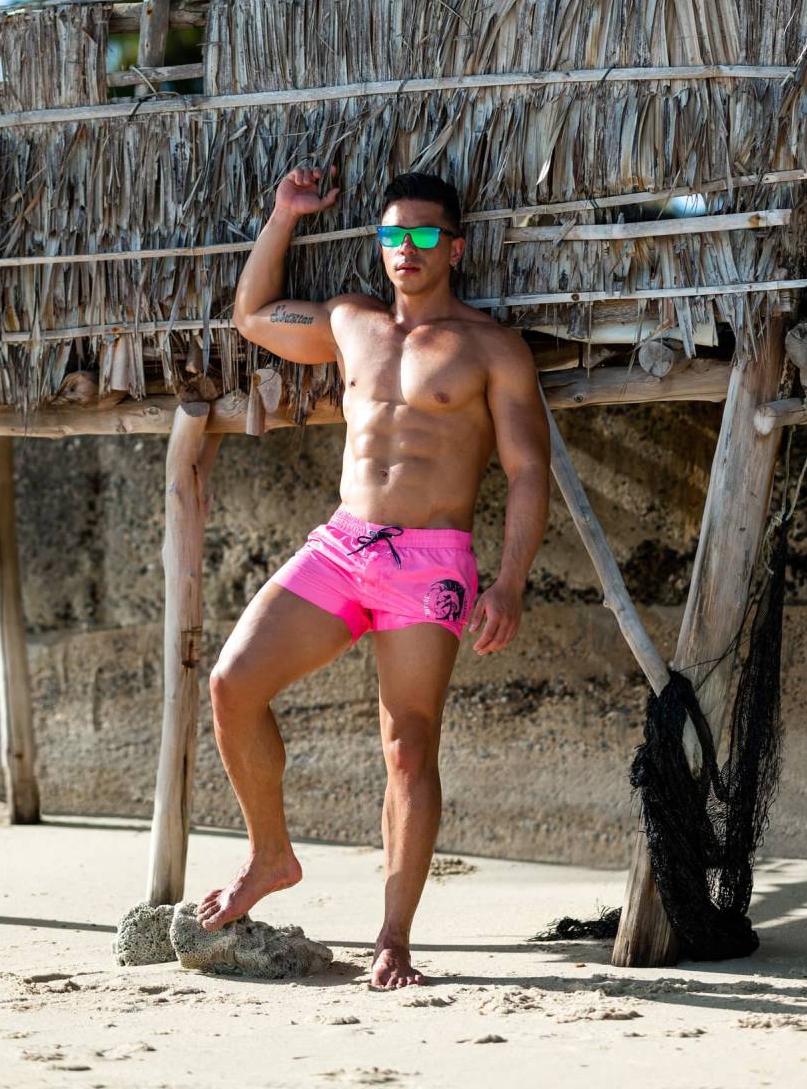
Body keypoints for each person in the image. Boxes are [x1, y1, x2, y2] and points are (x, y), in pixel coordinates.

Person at [198, 165, 550, 989]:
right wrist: (284, 216)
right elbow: (252, 314)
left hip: (431, 563)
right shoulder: (350, 321)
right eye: (393, 234)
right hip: (343, 545)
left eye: (424, 234)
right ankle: (271, 856)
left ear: (455, 248)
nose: (406, 248)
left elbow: (527, 470)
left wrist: (509, 581)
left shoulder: (491, 348)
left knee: (408, 745)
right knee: (231, 684)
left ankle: (393, 937)